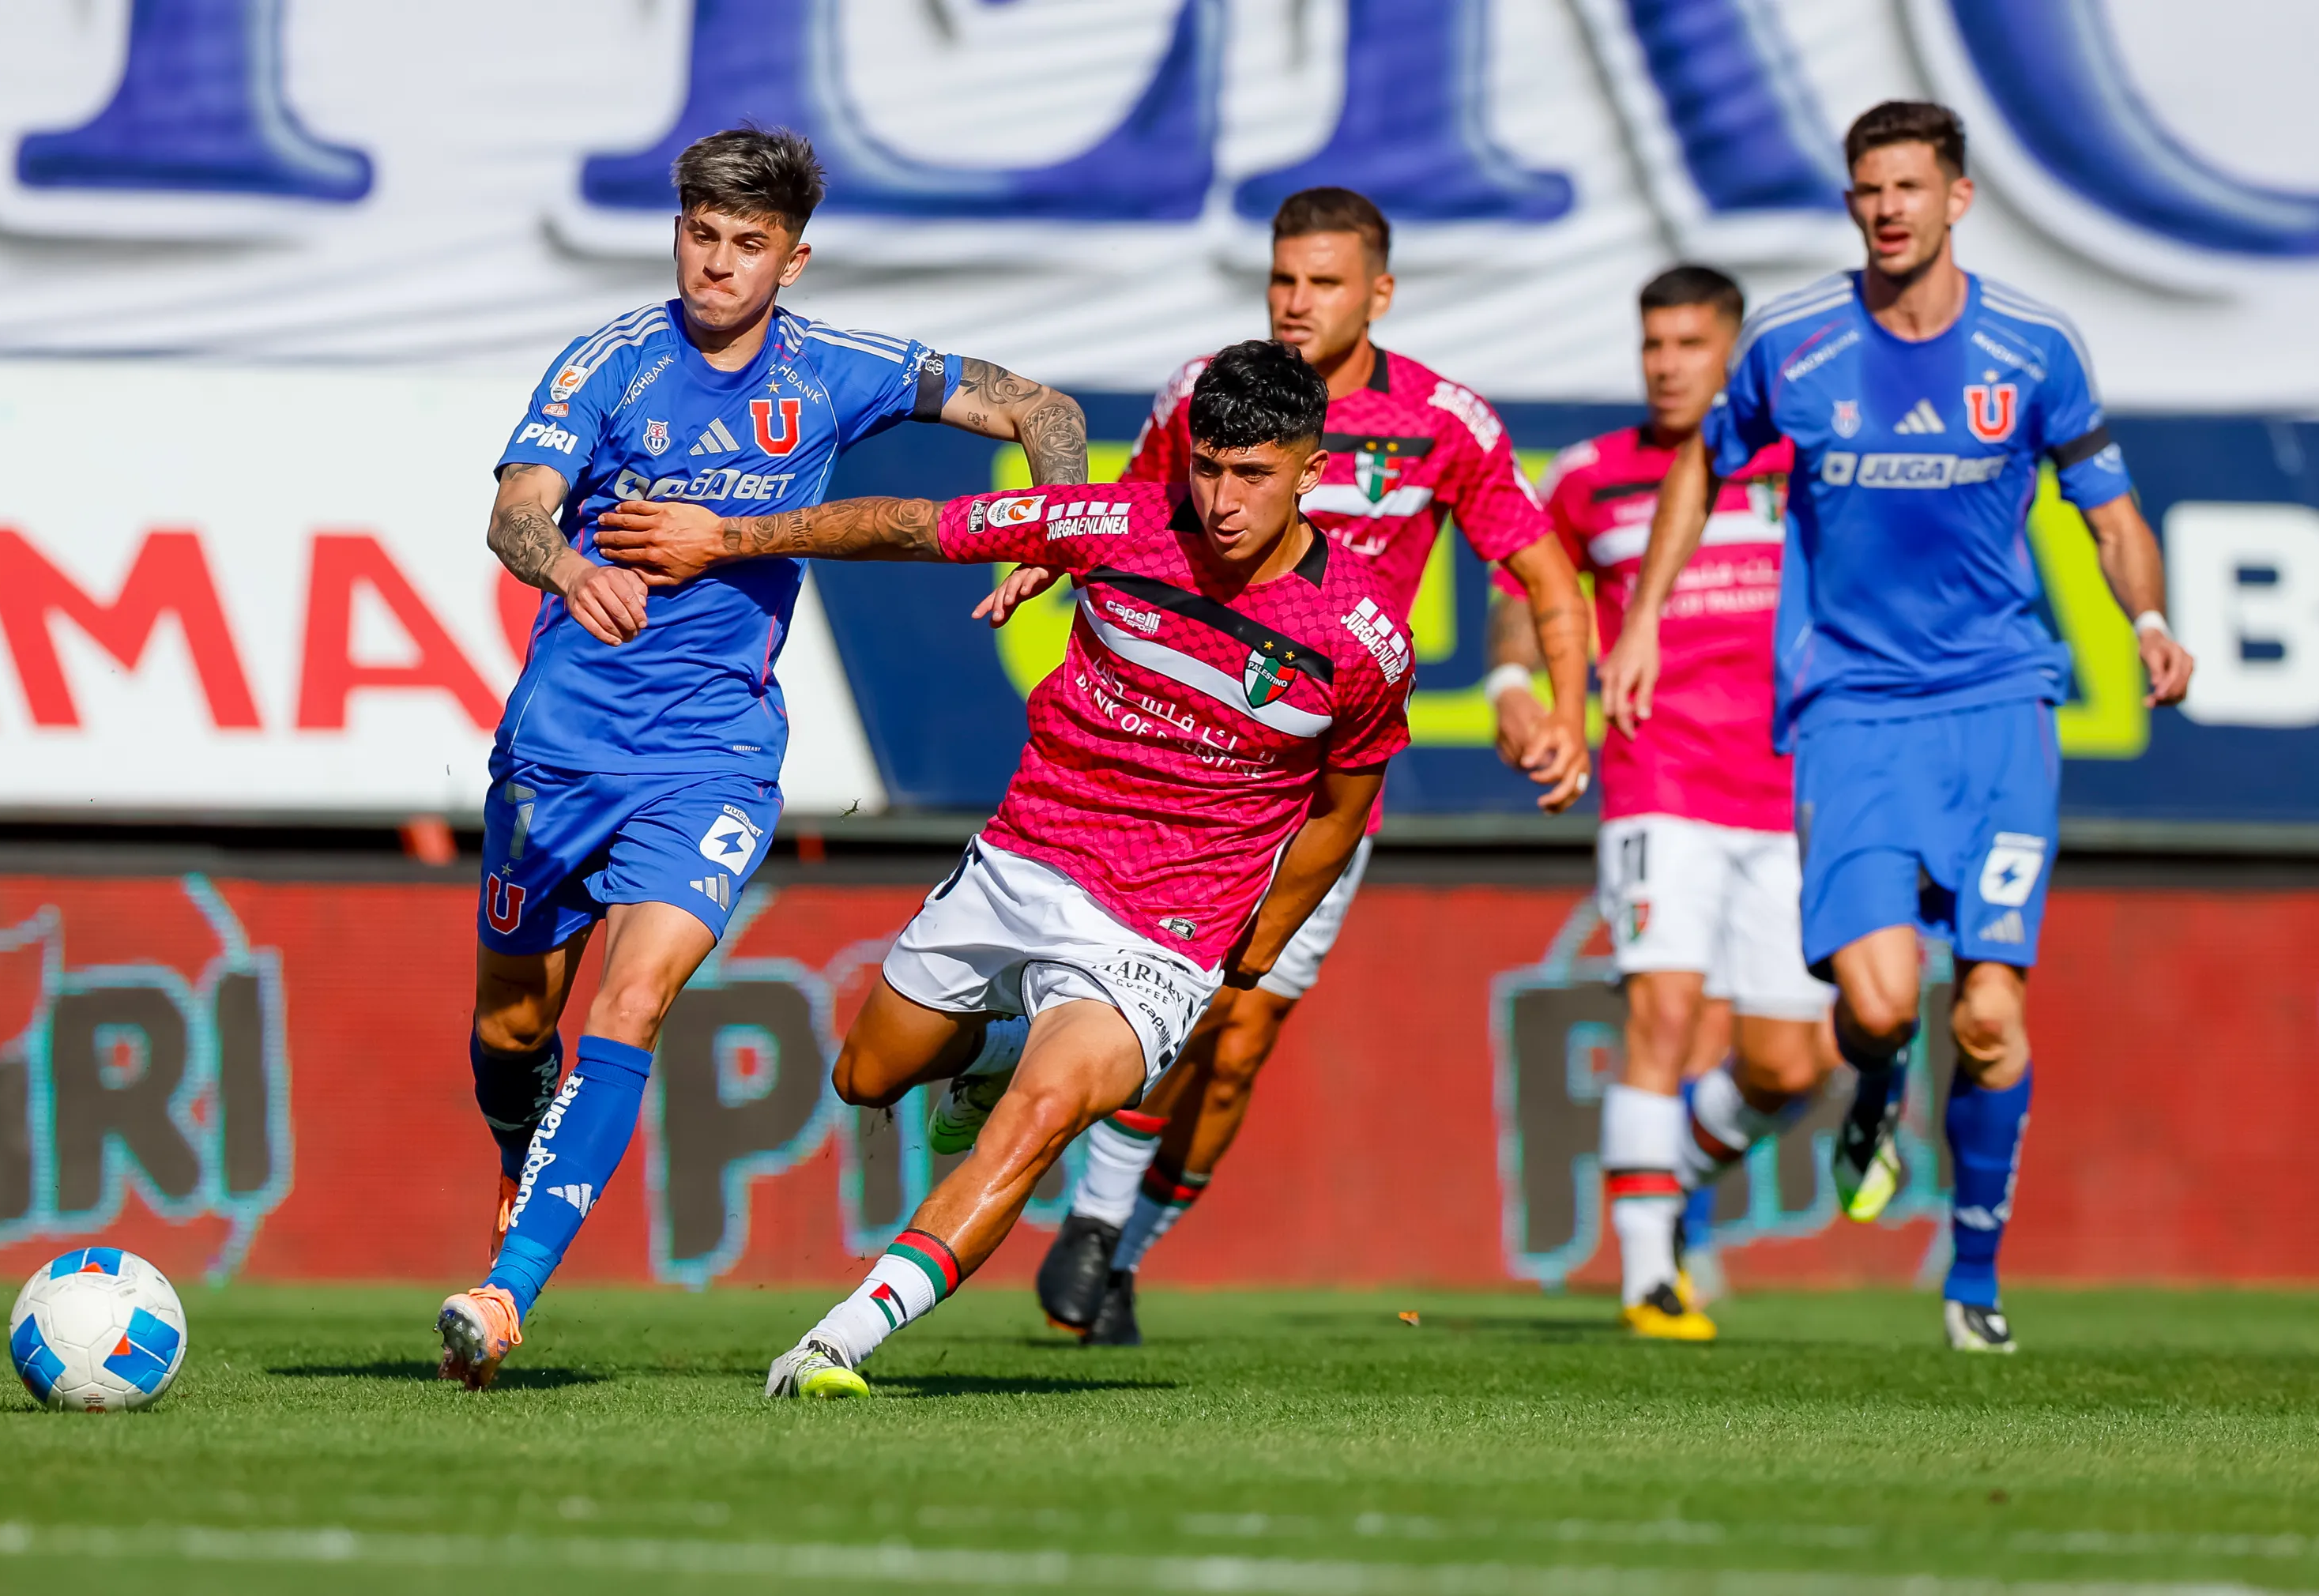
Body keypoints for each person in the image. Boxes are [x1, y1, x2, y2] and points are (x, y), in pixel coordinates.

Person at [595, 339, 1415, 1398]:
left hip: (1165, 928)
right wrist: (730, 537)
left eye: (1252, 475)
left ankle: (839, 1339)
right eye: (1206, 466)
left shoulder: (1359, 638)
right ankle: (988, 1055)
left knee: (1039, 1120)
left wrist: (1255, 945)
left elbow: (1341, 808)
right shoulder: (1115, 523)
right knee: (868, 1076)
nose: (1221, 499)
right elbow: (910, 528)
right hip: (1026, 858)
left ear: (1310, 471)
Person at [435, 126, 1089, 1388]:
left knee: (633, 1003)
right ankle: (524, 1157)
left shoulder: (837, 367)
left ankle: (506, 1295)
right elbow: (516, 511)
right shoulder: (609, 365)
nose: (715, 265)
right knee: (512, 1028)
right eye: (699, 233)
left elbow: (1038, 407)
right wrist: (571, 565)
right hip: (561, 750)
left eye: (745, 244)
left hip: (714, 753)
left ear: (792, 258)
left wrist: (1051, 520)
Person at [1602, 102, 2193, 1353]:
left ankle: (1971, 1282)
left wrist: (2144, 619)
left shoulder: (2032, 348)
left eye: (1909, 188)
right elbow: (1704, 463)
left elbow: (2108, 511)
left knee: (1984, 1014)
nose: (1886, 210)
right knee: (1871, 1010)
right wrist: (1644, 614)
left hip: (1996, 709)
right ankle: (1875, 1086)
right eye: (1867, 190)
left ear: (1956, 198)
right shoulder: (1796, 343)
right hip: (1852, 716)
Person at [986, 186, 1593, 1345]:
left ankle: (1116, 1246)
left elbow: (1539, 568)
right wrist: (1044, 555)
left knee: (1239, 1034)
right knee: (1181, 999)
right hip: (1194, 763)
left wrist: (1563, 707)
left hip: (1320, 783)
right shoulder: (1210, 395)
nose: (1297, 301)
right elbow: (1126, 515)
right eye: (1282, 278)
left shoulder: (1446, 422)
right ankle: (1091, 1217)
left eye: (1322, 282)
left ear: (1379, 291)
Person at [1485, 265, 1834, 1340]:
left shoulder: (1799, 464)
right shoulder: (1589, 476)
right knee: (1662, 1013)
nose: (1667, 365)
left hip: (1786, 789)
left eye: (1689, 346)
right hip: (1657, 779)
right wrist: (1516, 690)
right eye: (1653, 346)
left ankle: (1663, 1191)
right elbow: (1523, 594)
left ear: (1730, 353)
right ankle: (1647, 1280)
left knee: (1788, 1065)